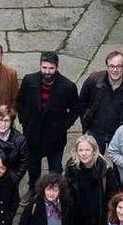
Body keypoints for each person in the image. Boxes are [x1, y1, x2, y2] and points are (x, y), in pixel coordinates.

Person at [17, 51, 79, 191]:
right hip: (33, 135)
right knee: (33, 168)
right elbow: (20, 102)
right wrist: (24, 121)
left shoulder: (68, 86)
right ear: (40, 66)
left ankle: (55, 194)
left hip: (55, 138)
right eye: (44, 67)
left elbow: (75, 110)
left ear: (57, 67)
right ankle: (33, 190)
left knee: (55, 170)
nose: (47, 71)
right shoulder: (29, 80)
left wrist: (63, 126)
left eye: (51, 68)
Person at [79, 50, 123, 153]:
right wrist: (86, 123)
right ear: (107, 66)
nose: (115, 70)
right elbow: (82, 102)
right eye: (111, 66)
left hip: (121, 133)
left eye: (119, 66)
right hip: (96, 131)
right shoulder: (93, 80)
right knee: (94, 162)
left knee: (120, 164)